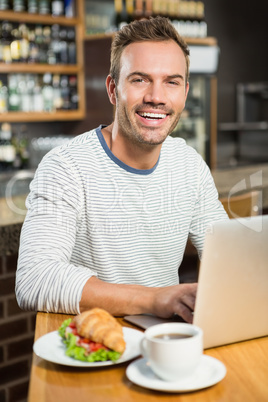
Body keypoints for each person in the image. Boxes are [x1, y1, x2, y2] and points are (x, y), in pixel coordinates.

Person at [16, 16, 227, 324]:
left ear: (184, 92)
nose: (156, 97)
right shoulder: (65, 167)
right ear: (113, 90)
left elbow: (223, 257)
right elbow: (34, 279)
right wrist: (153, 299)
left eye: (171, 81)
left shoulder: (189, 164)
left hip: (167, 339)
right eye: (140, 79)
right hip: (94, 342)